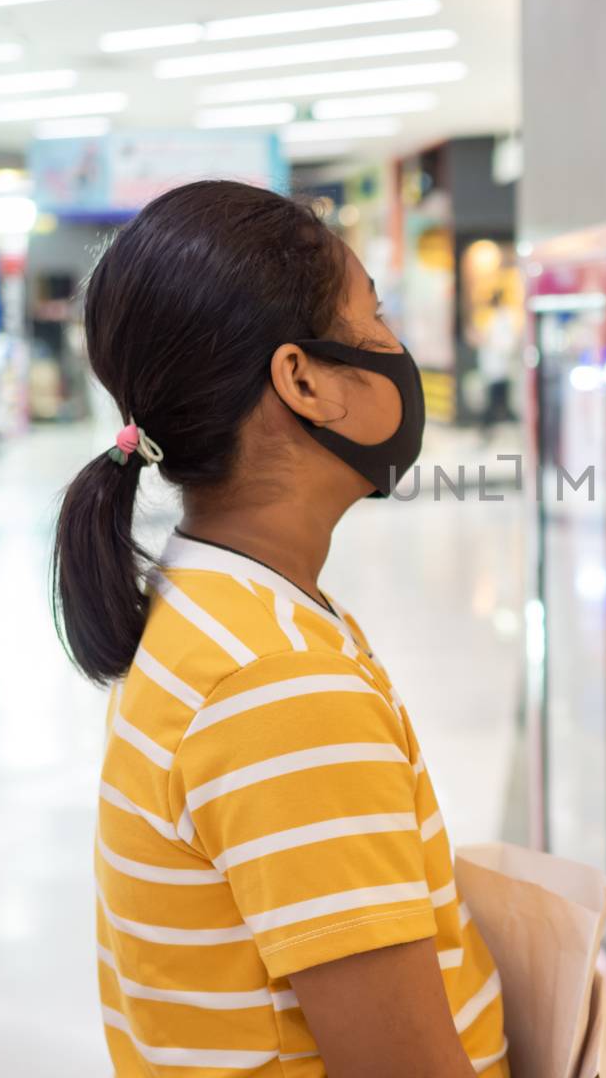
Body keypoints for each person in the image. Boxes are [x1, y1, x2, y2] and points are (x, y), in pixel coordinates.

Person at [51, 180, 507, 1077]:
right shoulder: (279, 685)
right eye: (373, 319)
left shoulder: (212, 602)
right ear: (303, 380)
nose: (397, 350)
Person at [474, 289, 518, 443]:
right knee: (497, 401)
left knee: (497, 401)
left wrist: (489, 342)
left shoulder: (504, 318)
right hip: (494, 368)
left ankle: (488, 430)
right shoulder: (494, 318)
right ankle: (488, 430)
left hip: (500, 367)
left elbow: (507, 343)